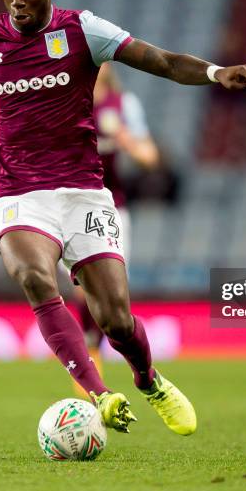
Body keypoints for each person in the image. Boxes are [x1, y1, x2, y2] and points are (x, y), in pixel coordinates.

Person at [0, 0, 246, 436]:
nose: (17, 0)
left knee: (117, 322)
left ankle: (149, 380)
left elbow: (163, 61)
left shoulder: (83, 30)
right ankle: (100, 395)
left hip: (84, 191)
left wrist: (216, 72)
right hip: (19, 192)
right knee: (35, 278)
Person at [75, 62, 160, 384]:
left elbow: (150, 157)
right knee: (83, 288)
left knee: (112, 292)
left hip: (112, 206)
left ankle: (128, 359)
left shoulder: (125, 105)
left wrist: (127, 141)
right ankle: (89, 353)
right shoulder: (68, 99)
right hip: (75, 205)